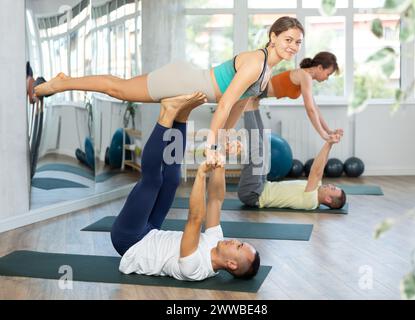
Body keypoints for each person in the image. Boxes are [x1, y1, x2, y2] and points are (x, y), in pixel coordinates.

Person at [33, 16, 305, 158]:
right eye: (288, 39)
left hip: (188, 84)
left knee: (120, 87)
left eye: (297, 42)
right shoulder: (257, 62)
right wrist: (212, 145)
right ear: (273, 36)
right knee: (118, 89)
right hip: (183, 82)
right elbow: (223, 104)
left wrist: (222, 142)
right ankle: (61, 83)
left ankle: (63, 81)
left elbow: (236, 107)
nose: (292, 46)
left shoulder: (267, 71)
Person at [111, 93, 260, 281]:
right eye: (241, 242)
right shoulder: (216, 241)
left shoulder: (196, 268)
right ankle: (182, 116)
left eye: (238, 247)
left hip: (130, 240)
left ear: (232, 264)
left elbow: (195, 218)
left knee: (153, 181)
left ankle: (167, 113)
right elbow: (215, 199)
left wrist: (201, 174)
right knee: (172, 180)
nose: (235, 241)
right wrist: (220, 158)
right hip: (151, 231)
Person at [237, 101, 346, 211]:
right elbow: (321, 166)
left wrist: (328, 143)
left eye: (332, 188)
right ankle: (253, 104)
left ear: (328, 199)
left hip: (253, 193)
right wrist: (331, 144)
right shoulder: (316, 188)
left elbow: (315, 172)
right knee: (264, 145)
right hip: (263, 185)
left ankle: (246, 105)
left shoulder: (311, 200)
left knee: (258, 150)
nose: (330, 185)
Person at [225, 52, 343, 141]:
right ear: (320, 67)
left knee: (260, 145)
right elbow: (310, 110)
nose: (327, 78)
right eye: (328, 74)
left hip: (254, 99)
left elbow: (314, 108)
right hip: (249, 98)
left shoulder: (305, 77)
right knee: (257, 147)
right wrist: (323, 135)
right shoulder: (305, 76)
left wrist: (328, 131)